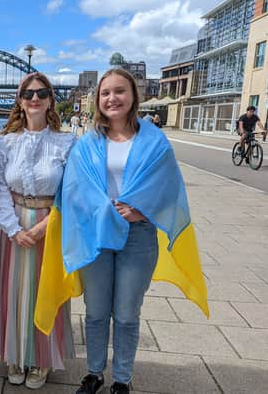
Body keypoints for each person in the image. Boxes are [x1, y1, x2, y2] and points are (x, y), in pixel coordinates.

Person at [60, 69, 208, 394]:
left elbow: (169, 188)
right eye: (105, 93)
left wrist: (142, 210)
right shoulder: (88, 143)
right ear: (98, 100)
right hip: (98, 235)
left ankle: (122, 379)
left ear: (132, 96)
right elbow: (73, 188)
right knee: (97, 311)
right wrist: (100, 209)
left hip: (138, 235)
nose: (112, 98)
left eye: (119, 91)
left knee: (127, 314)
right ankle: (94, 373)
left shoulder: (154, 140)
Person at [0, 72, 75, 390]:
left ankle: (41, 358)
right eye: (28, 94)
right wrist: (13, 229)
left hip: (50, 224)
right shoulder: (8, 142)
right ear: (20, 101)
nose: (35, 99)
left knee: (45, 289)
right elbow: (0, 187)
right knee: (14, 291)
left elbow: (70, 192)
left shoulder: (66, 141)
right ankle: (15, 353)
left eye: (41, 93)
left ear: (51, 99)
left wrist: (43, 227)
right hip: (14, 223)